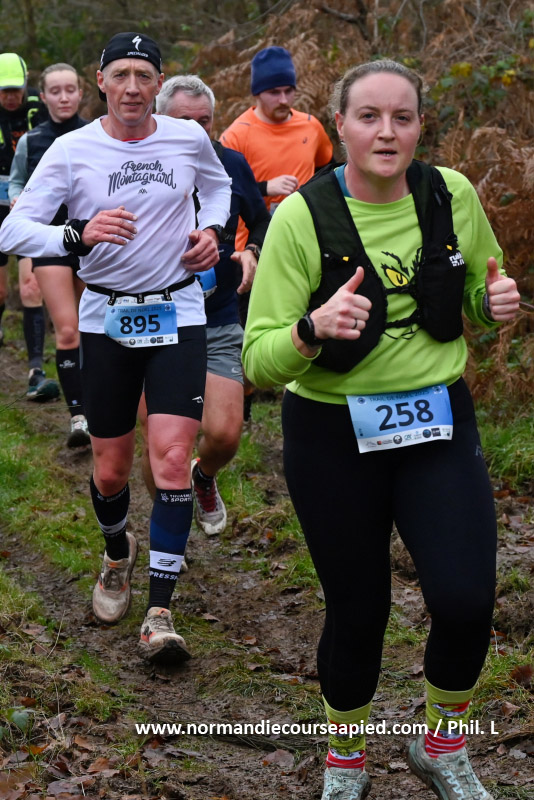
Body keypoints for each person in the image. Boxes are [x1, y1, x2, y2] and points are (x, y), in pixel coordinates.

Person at [242, 60, 520, 800]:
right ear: (340, 125)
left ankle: (442, 748)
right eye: (369, 116)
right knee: (359, 610)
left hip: (436, 420)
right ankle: (345, 757)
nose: (387, 132)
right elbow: (258, 359)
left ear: (421, 125)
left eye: (403, 116)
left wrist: (493, 303)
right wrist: (310, 328)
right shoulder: (300, 217)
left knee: (466, 600)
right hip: (332, 434)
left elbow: (478, 286)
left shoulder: (450, 194)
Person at [0, 32, 231, 664]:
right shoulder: (72, 150)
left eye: (144, 76)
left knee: (172, 458)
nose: (132, 87)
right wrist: (75, 234)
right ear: (100, 81)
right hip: (105, 317)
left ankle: (159, 613)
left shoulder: (186, 138)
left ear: (159, 83)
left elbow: (217, 188)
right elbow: (13, 228)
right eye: (121, 75)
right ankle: (115, 551)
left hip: (178, 310)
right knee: (109, 469)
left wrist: (212, 230)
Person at [137, 74, 270, 535]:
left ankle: (204, 476)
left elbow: (260, 219)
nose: (196, 131)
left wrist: (252, 251)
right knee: (163, 442)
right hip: (156, 317)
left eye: (204, 121)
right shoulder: (137, 163)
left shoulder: (230, 163)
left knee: (225, 435)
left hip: (217, 315)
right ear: (159, 118)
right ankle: (169, 535)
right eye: (184, 121)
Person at [221, 46, 333, 419]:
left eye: (289, 90)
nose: (283, 99)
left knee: (307, 317)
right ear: (257, 93)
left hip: (306, 244)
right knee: (246, 330)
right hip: (251, 249)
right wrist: (266, 188)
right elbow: (222, 190)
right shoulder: (237, 135)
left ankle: (305, 398)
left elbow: (329, 171)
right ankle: (242, 410)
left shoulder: (311, 127)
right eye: (274, 92)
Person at [9, 63, 90, 447]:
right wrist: (17, 199)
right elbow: (17, 182)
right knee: (69, 329)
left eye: (70, 89)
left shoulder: (97, 133)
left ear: (81, 93)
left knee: (93, 330)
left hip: (93, 243)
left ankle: (102, 405)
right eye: (55, 91)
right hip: (50, 243)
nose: (63, 97)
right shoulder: (32, 141)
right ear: (43, 97)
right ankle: (78, 417)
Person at [0, 52, 57, 399]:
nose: (10, 97)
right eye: (3, 90)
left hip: (27, 202)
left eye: (15, 89)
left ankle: (36, 369)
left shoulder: (39, 105)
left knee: (31, 286)